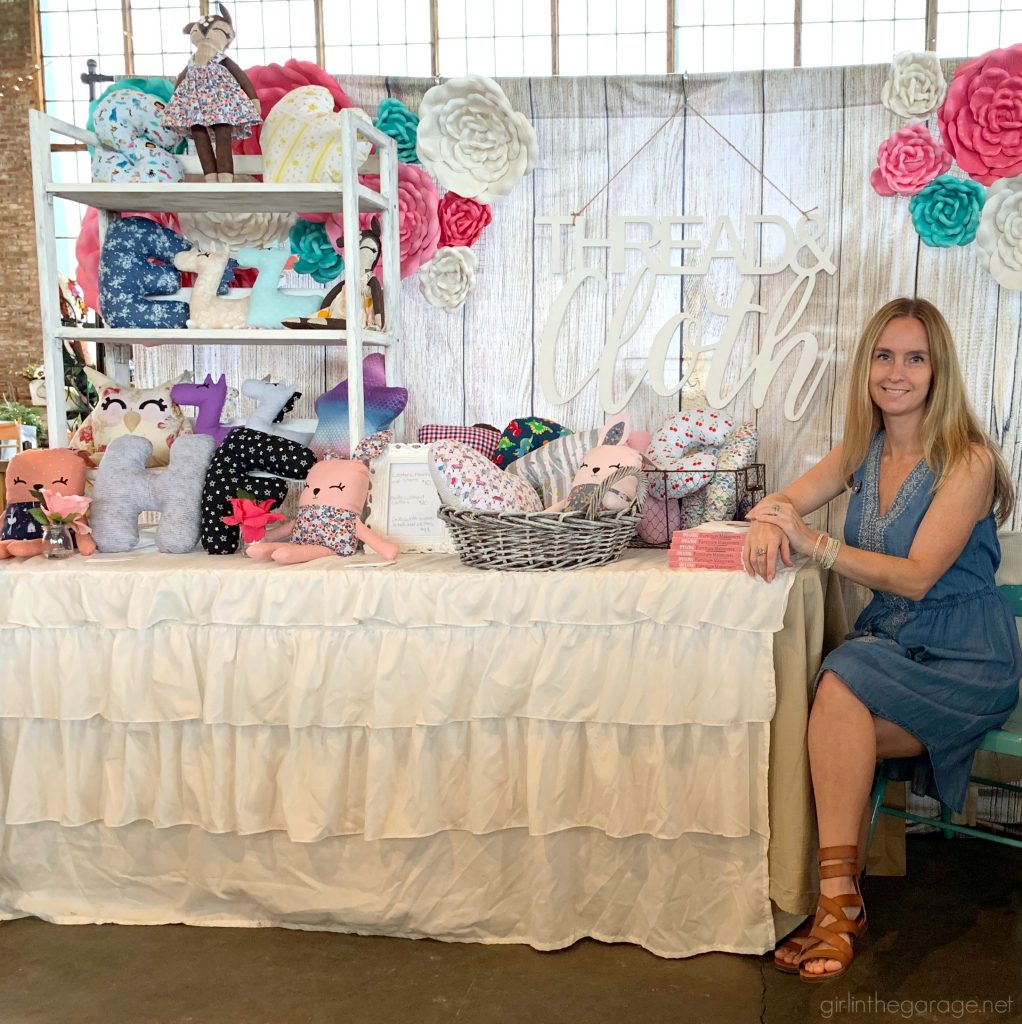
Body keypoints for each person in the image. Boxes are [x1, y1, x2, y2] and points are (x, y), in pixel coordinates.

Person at [742, 297, 1021, 982]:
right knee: (837, 694)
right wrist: (768, 522)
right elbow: (781, 500)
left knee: (838, 684)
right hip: (893, 648)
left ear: (938, 371)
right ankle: (841, 900)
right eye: (884, 355)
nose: (897, 372)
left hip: (966, 658)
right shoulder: (861, 450)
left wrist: (816, 543)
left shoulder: (968, 461)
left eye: (915, 358)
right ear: (868, 364)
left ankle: (836, 907)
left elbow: (921, 577)